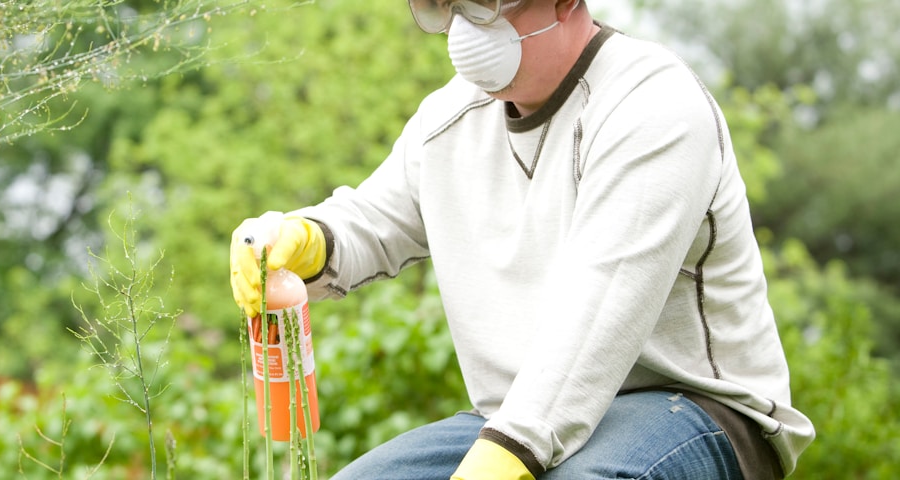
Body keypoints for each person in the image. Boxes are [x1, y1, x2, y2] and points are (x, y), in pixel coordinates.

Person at [228, 0, 815, 478]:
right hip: (520, 416)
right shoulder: (447, 120)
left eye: (485, 6)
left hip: (695, 409)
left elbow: (598, 318)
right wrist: (306, 239)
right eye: (446, 7)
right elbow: (374, 221)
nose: (462, 28)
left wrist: (506, 455)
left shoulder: (653, 107)